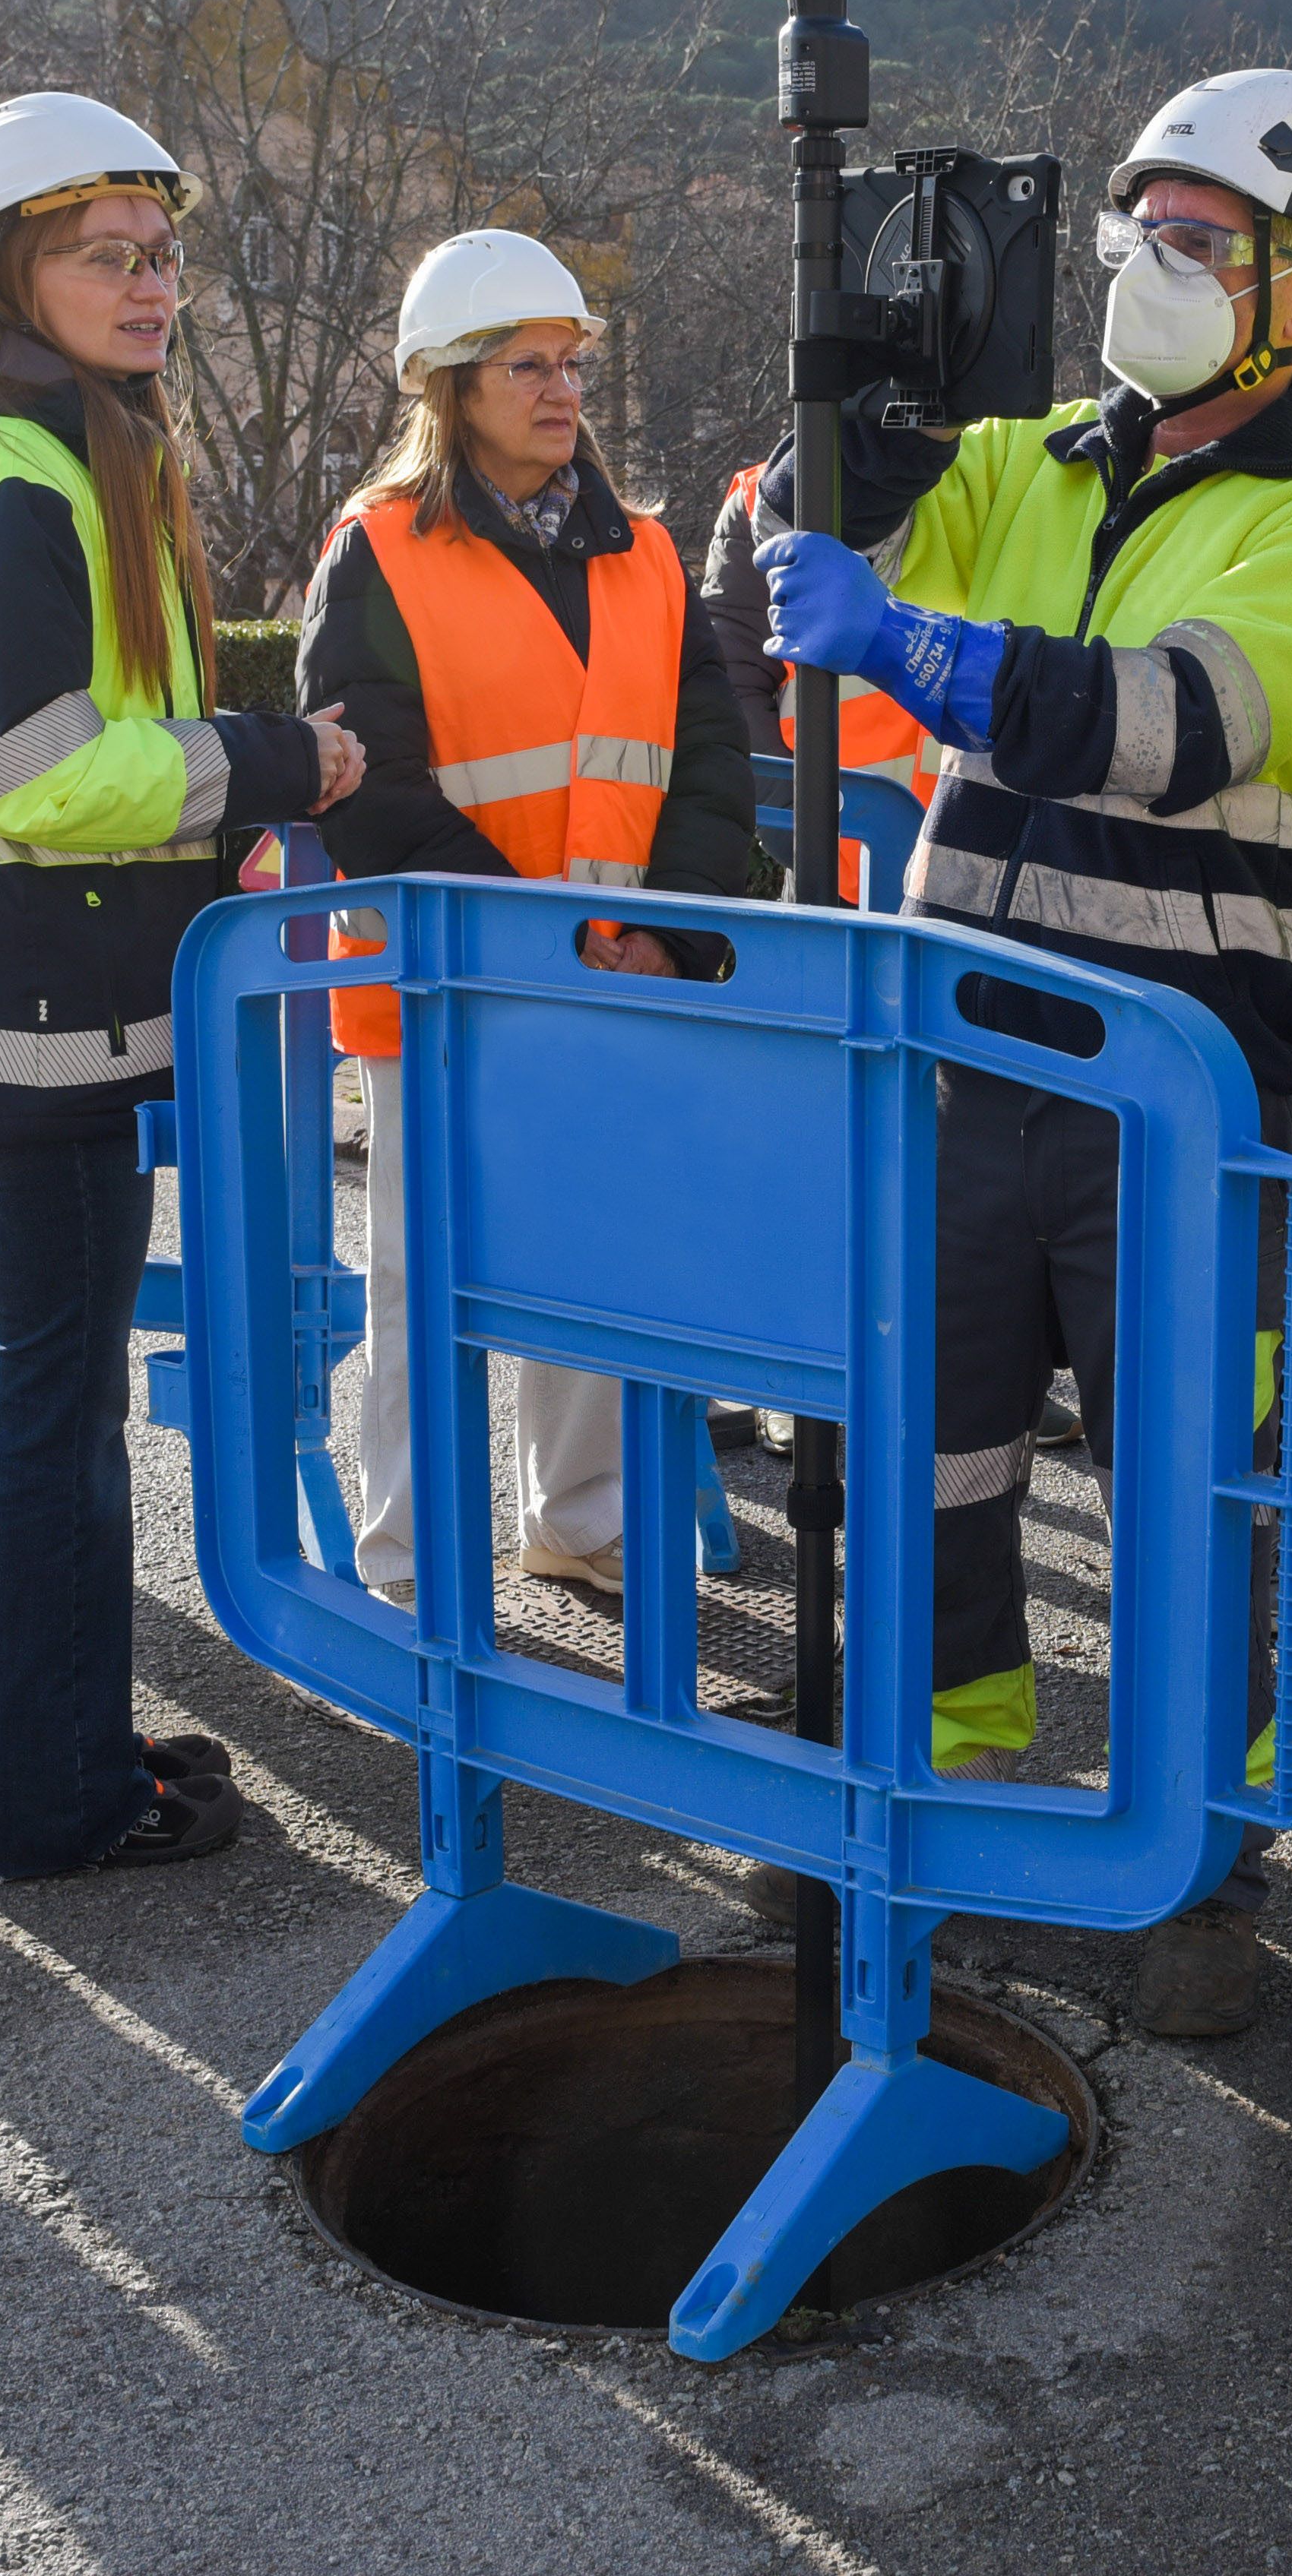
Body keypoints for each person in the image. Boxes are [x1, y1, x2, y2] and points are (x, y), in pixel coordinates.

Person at [755, 68, 1292, 2041]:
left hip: (1184, 1103)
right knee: (932, 1466)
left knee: (1196, 1500)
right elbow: (792, 553)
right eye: (1141, 229)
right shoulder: (1028, 461)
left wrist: (909, 647)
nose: (1154, 263)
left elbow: (1161, 726)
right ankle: (940, 1790)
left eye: (1203, 238)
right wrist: (841, 434)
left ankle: (1204, 1863)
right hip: (965, 1072)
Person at [0, 91, 361, 1876]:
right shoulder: (11, 484)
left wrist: (210, 807)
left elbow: (94, 751)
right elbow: (35, 774)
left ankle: (64, 1746)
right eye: (105, 256)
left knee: (53, 1397)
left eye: (161, 255)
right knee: (55, 1411)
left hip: (56, 1003)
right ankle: (43, 1800)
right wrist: (267, 760)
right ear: (7, 272)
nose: (151, 284)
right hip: (34, 1019)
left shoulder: (68, 454)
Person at [297, 229, 760, 1603]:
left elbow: (709, 762)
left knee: (601, 1265)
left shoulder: (645, 553)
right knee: (424, 1282)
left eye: (571, 364)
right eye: (527, 367)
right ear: (449, 385)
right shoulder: (377, 551)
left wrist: (670, 933)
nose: (563, 391)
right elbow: (365, 785)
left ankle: (580, 1524)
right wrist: (541, 937)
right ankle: (409, 1560)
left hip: (620, 978)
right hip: (452, 983)